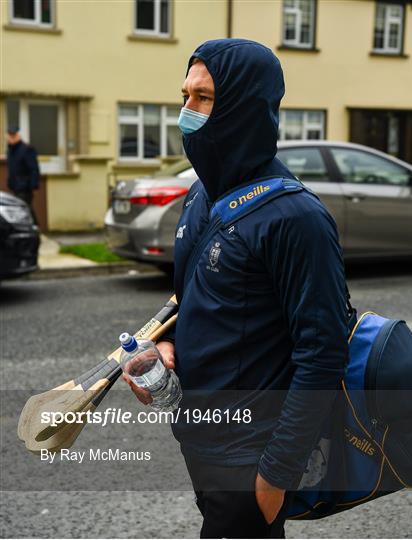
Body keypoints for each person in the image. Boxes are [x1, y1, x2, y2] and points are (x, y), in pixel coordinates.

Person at [123, 38, 349, 538]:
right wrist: (164, 346)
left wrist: (276, 476)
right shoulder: (202, 194)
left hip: (251, 455)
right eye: (184, 96)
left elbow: (324, 350)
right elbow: (190, 299)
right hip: (198, 436)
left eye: (202, 98)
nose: (186, 112)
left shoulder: (296, 216)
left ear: (244, 105)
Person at [6, 125, 40, 223]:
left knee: (25, 209)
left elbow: (34, 169)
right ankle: (31, 231)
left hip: (24, 188)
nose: (11, 138)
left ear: (18, 136)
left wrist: (32, 186)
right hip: (15, 187)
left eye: (14, 135)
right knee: (22, 211)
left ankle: (34, 229)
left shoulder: (26, 149)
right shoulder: (10, 151)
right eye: (10, 136)